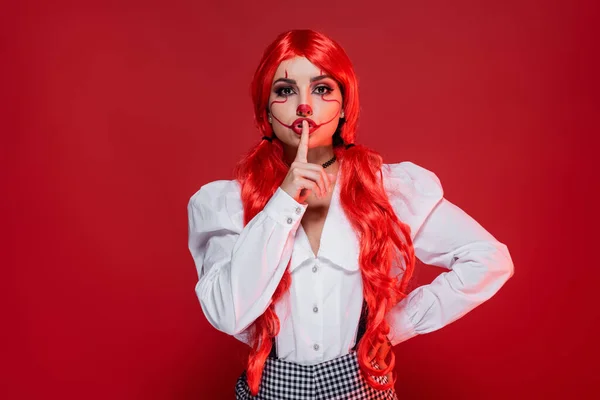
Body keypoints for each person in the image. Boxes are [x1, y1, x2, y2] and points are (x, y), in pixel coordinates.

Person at [187, 29, 514, 400]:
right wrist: (283, 201)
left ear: (344, 106)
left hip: (360, 387)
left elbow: (488, 259)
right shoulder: (225, 203)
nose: (304, 105)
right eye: (285, 90)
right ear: (266, 111)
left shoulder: (386, 189)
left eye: (322, 89)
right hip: (270, 389)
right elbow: (228, 313)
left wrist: (391, 327)